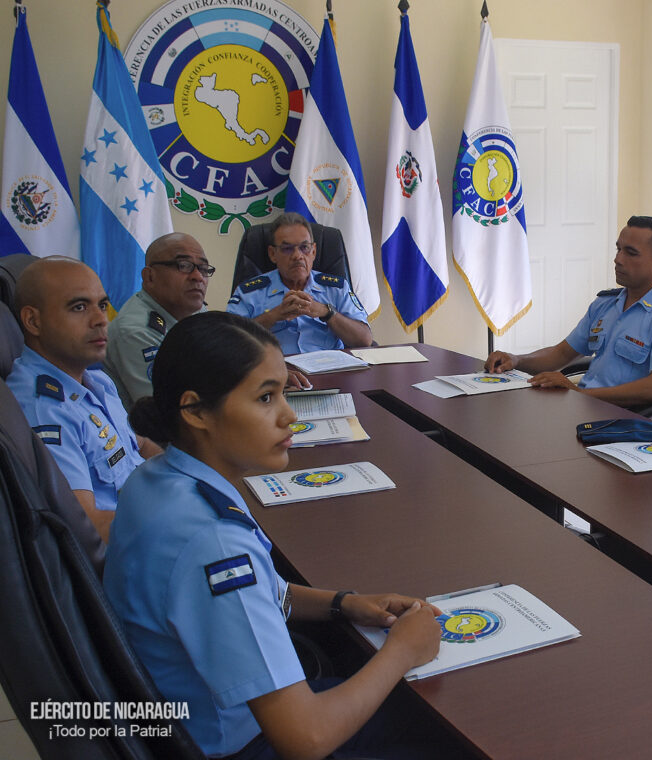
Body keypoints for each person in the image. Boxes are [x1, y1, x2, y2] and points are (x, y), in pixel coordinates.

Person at [103, 311, 443, 759]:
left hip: (191, 720)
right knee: (444, 728)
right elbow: (306, 738)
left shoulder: (157, 479)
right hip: (243, 743)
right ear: (196, 411)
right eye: (265, 398)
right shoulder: (214, 542)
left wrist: (343, 602)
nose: (288, 415)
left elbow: (259, 594)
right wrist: (403, 651)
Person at [8, 257, 160, 541]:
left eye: (102, 305)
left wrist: (189, 477)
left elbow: (139, 444)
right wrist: (179, 517)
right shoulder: (45, 409)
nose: (101, 319)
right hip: (131, 548)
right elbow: (88, 528)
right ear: (33, 321)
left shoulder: (96, 380)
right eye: (79, 307)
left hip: (148, 510)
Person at [484, 215, 652, 407]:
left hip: (627, 423)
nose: (618, 259)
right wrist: (517, 360)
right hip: (587, 408)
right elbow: (562, 353)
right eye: (618, 249)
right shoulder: (606, 304)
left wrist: (580, 394)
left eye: (631, 253)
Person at [227, 213, 372, 355]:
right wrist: (274, 315)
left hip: (328, 366)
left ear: (313, 251)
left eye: (304, 247)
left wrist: (327, 313)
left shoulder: (336, 288)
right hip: (276, 367)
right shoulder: (249, 292)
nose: (297, 256)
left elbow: (364, 339)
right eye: (287, 249)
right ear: (272, 254)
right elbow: (228, 342)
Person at [104, 232, 213, 408]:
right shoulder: (136, 331)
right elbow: (168, 410)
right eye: (183, 266)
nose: (198, 277)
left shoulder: (194, 309)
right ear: (150, 277)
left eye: (203, 268)